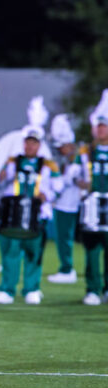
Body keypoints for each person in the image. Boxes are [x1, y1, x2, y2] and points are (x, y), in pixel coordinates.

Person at [0, 126, 55, 305]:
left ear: (39, 145)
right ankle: (7, 289)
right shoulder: (12, 161)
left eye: (34, 143)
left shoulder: (48, 165)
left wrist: (47, 196)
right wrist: (2, 176)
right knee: (10, 251)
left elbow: (58, 187)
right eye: (27, 142)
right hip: (13, 213)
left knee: (33, 252)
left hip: (37, 213)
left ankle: (32, 288)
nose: (30, 146)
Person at [77, 106, 108, 305]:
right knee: (92, 249)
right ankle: (92, 289)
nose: (100, 130)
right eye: (98, 127)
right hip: (92, 205)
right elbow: (72, 175)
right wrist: (80, 183)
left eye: (104, 126)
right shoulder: (86, 151)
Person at [46, 114, 81, 285]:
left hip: (68, 205)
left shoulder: (77, 160)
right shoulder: (67, 160)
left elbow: (70, 181)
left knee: (64, 239)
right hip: (63, 204)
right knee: (62, 239)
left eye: (62, 147)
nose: (60, 150)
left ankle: (67, 269)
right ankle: (65, 268)